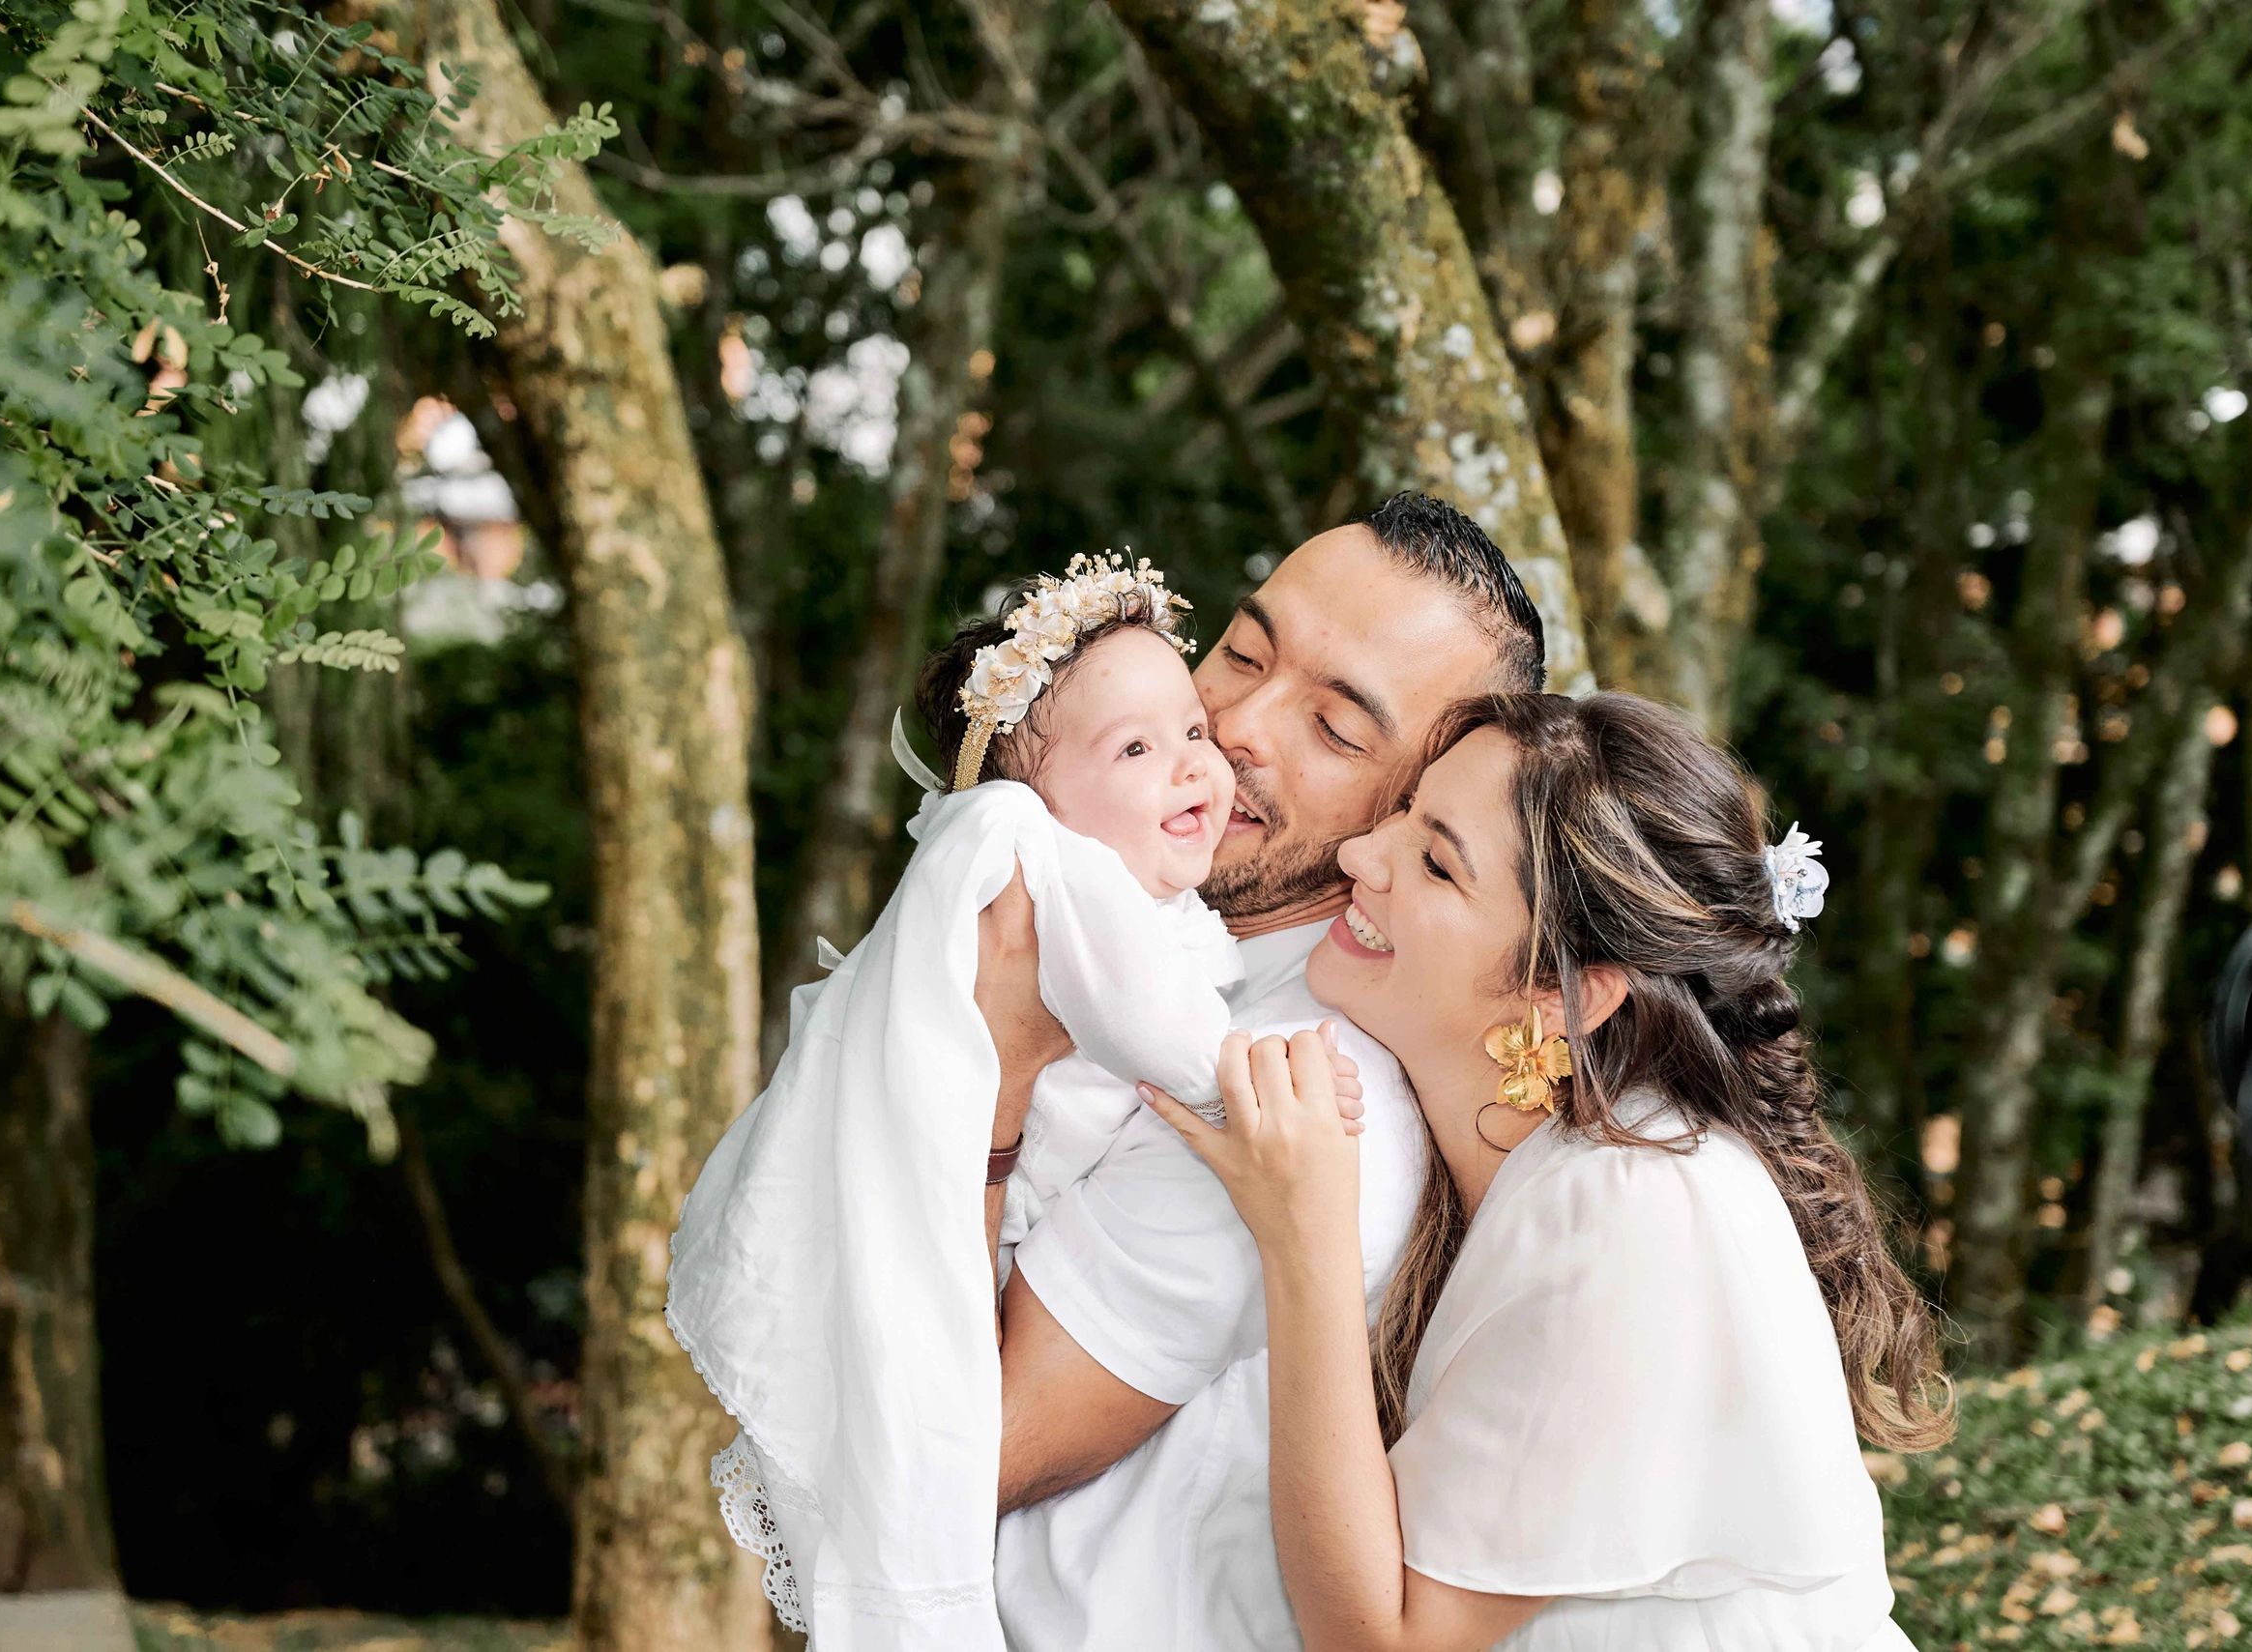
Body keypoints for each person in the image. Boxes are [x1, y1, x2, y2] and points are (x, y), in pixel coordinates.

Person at [1145, 691, 1952, 1651]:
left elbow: (1381, 1643)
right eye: (1403, 813)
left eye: (1437, 861)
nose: (1362, 853)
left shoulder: (1628, 1211)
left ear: (1566, 992)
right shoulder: (1568, 1166)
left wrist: (1303, 1236)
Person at [667, 554, 1290, 1647]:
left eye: (1192, 728)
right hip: (949, 1206)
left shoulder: (1142, 887)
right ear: (1028, 799)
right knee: (918, 1433)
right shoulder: (1032, 862)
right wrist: (1245, 1079)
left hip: (1016, 1224)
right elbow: (1161, 1029)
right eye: (1136, 750)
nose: (1195, 766)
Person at [978, 495, 1550, 1648]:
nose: (1233, 721)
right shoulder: (1126, 924)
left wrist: (995, 1063)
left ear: (1415, 806)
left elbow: (965, 1447)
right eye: (1241, 650)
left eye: (1337, 730)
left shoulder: (1298, 1088)